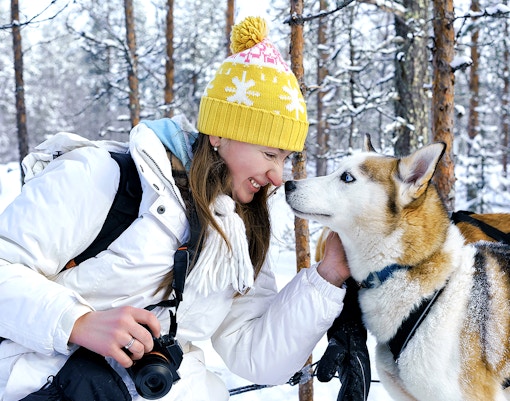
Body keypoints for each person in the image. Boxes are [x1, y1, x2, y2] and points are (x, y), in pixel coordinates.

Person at [0, 16, 360, 401]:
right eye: (270, 153)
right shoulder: (103, 177)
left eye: (286, 158)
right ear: (219, 133)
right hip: (41, 382)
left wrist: (329, 275)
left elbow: (255, 354)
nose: (277, 176)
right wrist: (76, 322)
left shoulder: (239, 229)